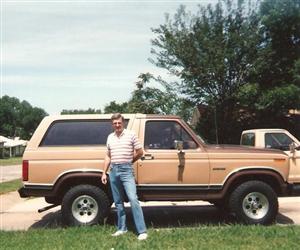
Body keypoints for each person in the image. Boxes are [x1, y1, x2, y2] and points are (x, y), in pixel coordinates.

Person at [101, 113, 148, 241]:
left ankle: (142, 231)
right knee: (118, 202)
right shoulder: (110, 137)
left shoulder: (131, 134)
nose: (117, 125)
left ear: (123, 123)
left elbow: (140, 152)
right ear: (112, 124)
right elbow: (108, 156)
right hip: (113, 171)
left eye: (119, 123)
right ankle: (122, 228)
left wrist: (129, 161)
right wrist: (104, 172)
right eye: (115, 123)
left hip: (127, 170)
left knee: (133, 199)